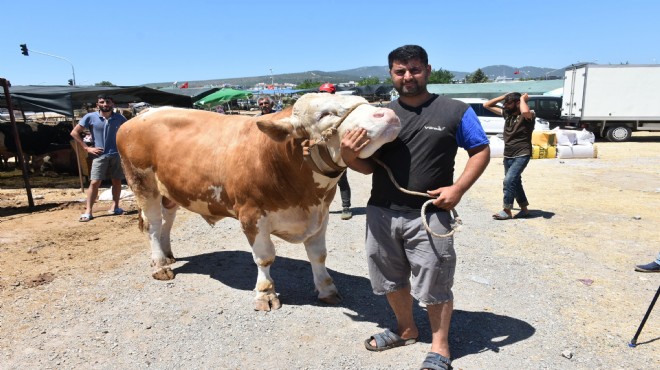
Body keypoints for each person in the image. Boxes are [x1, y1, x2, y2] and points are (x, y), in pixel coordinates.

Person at [341, 45, 490, 370]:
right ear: (391, 74)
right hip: (381, 212)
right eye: (400, 71)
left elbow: (480, 150)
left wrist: (458, 189)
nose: (408, 76)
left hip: (430, 215)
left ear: (428, 70)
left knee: (435, 282)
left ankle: (440, 348)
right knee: (389, 279)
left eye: (414, 69)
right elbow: (370, 167)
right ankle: (406, 329)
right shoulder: (379, 116)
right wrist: (350, 155)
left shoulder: (455, 110)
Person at [70, 94, 127, 222]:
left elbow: (129, 132)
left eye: (108, 102)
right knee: (95, 182)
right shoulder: (90, 117)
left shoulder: (119, 118)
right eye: (102, 102)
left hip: (116, 154)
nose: (105, 104)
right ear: (98, 105)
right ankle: (88, 211)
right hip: (99, 154)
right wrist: (86, 148)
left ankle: (115, 206)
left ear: (112, 104)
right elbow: (74, 132)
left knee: (117, 181)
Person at [483, 92, 534, 220]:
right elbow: (486, 105)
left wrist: (522, 99)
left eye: (508, 103)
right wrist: (504, 96)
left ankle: (507, 210)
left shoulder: (529, 115)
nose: (505, 105)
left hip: (522, 153)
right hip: (508, 153)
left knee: (509, 180)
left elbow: (525, 113)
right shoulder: (507, 114)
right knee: (515, 182)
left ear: (518, 103)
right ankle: (524, 209)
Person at [318, 82, 353, 220]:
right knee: (320, 179)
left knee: (341, 179)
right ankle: (321, 207)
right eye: (322, 93)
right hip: (321, 149)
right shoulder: (317, 111)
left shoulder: (340, 112)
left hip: (336, 150)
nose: (324, 96)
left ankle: (346, 207)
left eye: (326, 93)